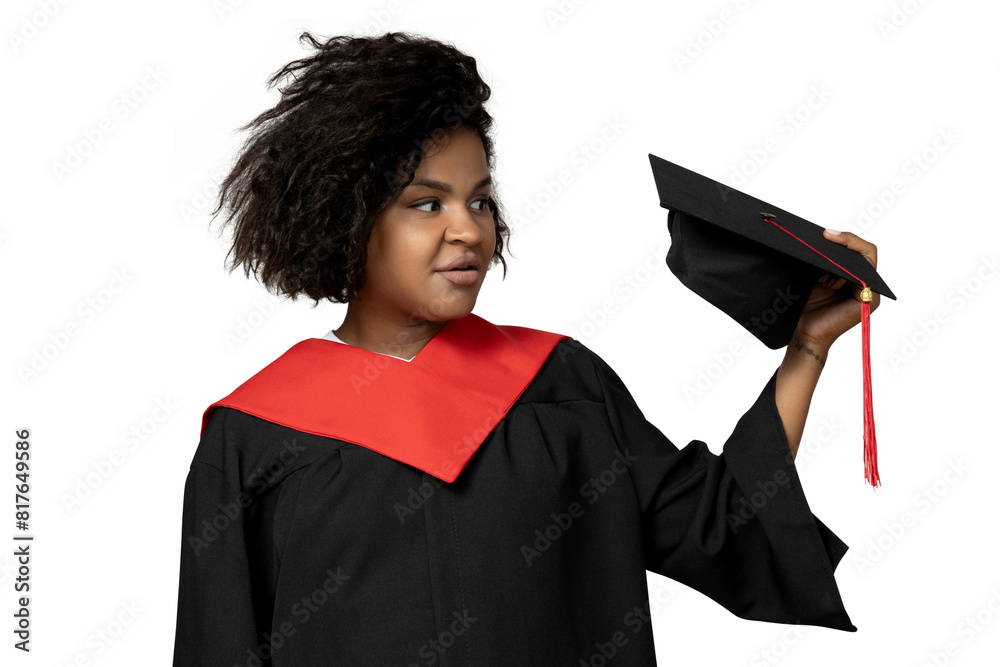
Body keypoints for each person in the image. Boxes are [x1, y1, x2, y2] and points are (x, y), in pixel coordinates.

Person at [172, 31, 877, 666]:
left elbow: (724, 525)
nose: (469, 231)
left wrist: (808, 346)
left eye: (479, 201)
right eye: (427, 203)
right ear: (348, 220)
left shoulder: (559, 386)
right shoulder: (254, 440)